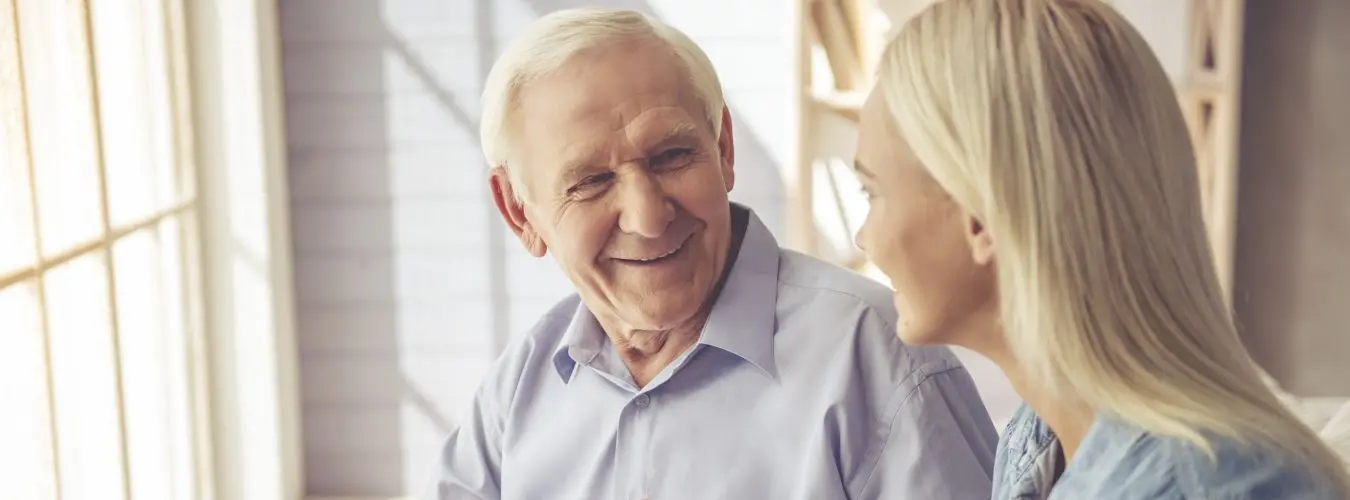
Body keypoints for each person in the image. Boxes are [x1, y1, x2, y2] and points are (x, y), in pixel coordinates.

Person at [426, 7, 998, 500]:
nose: (648, 218)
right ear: (519, 211)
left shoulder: (879, 358)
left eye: (671, 155)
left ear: (723, 148)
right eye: (592, 181)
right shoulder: (517, 390)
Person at [851, 0, 1350, 498]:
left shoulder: (1214, 485)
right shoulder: (1039, 439)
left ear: (979, 216)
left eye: (872, 193)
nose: (862, 237)